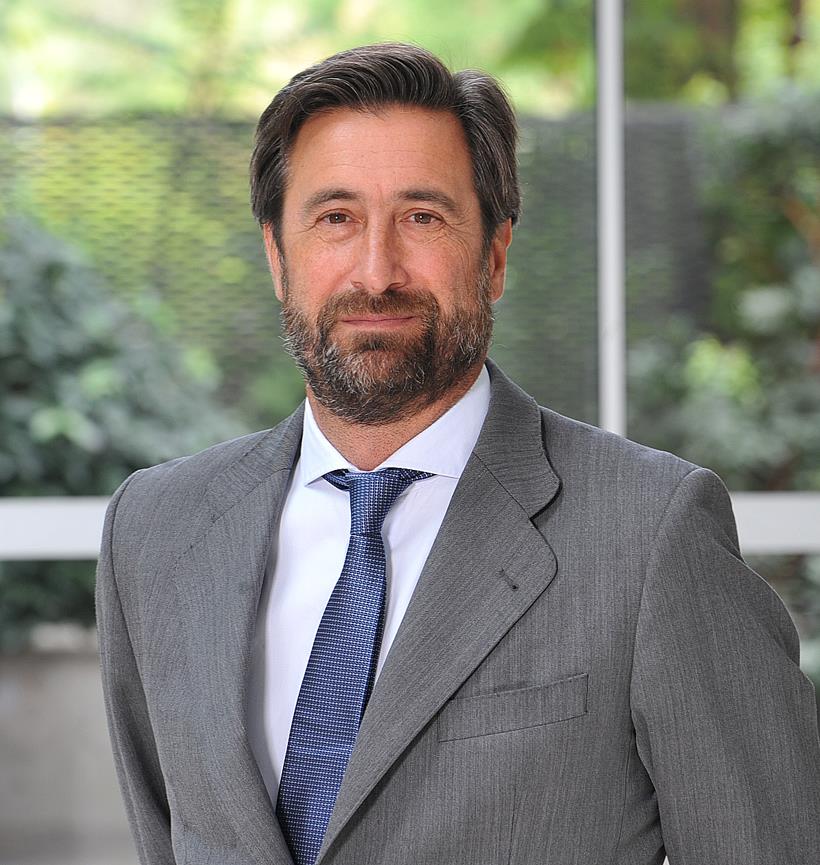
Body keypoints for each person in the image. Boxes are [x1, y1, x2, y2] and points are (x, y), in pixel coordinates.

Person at [95, 43, 820, 865]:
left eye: (422, 217)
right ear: (277, 256)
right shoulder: (155, 532)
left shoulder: (652, 533)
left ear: (495, 255)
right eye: (335, 218)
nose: (377, 272)